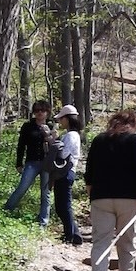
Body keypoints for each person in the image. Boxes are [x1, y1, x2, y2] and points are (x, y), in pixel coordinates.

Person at [81, 110, 136, 271]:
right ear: (132, 124)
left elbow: (89, 172)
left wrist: (92, 193)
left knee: (101, 243)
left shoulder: (98, 140)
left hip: (101, 198)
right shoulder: (135, 141)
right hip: (128, 200)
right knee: (127, 245)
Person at [2, 100, 53, 226]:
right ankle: (6, 210)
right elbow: (21, 146)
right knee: (22, 187)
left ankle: (43, 222)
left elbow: (56, 147)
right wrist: (19, 163)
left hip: (47, 163)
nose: (40, 113)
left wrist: (50, 136)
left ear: (47, 112)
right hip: (32, 162)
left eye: (42, 110)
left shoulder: (51, 126)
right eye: (37, 110)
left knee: (45, 193)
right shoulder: (27, 126)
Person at [52, 104, 85, 245]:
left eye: (62, 119)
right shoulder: (72, 135)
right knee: (63, 205)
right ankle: (74, 234)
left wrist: (54, 142)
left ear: (67, 119)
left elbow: (64, 153)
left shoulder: (71, 136)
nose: (60, 122)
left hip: (65, 173)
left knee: (63, 205)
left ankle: (69, 236)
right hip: (67, 173)